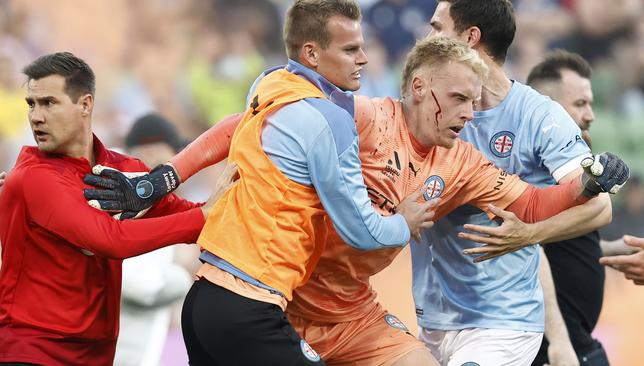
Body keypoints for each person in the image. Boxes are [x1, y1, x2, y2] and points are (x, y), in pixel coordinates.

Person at [85, 36, 629, 366]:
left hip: (353, 312)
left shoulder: (463, 163)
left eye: (476, 100)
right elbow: (247, 122)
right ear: (419, 88)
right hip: (282, 300)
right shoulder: (362, 118)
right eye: (460, 97)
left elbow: (533, 206)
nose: (471, 112)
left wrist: (589, 182)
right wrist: (162, 178)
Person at [87, 1, 437, 364]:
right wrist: (403, 223)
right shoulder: (329, 121)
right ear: (312, 54)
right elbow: (360, 230)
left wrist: (159, 181)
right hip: (249, 308)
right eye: (350, 49)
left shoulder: (271, 83)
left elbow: (230, 128)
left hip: (203, 301)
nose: (363, 58)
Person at [410, 1, 617, 365]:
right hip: (433, 318)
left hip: (502, 323)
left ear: (469, 38)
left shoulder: (539, 116)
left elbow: (599, 207)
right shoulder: (429, 108)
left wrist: (529, 235)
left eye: (438, 27)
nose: (428, 37)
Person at [0, 52, 234, 365]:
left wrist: (222, 208)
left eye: (49, 103)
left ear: (85, 104)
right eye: (32, 104)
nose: (36, 117)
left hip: (96, 355)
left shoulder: (123, 170)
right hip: (32, 350)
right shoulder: (33, 176)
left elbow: (189, 217)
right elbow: (112, 240)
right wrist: (202, 218)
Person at [526, 49, 609, 366]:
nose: (590, 115)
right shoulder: (529, 173)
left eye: (590, 103)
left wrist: (609, 251)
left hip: (577, 344)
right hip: (553, 350)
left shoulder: (566, 171)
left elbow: (564, 242)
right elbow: (529, 250)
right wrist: (559, 342)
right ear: (546, 109)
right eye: (579, 104)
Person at [113, 113, 194, 366]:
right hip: (119, 354)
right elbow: (144, 286)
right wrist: (184, 274)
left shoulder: (152, 204)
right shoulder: (125, 203)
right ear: (153, 153)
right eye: (173, 156)